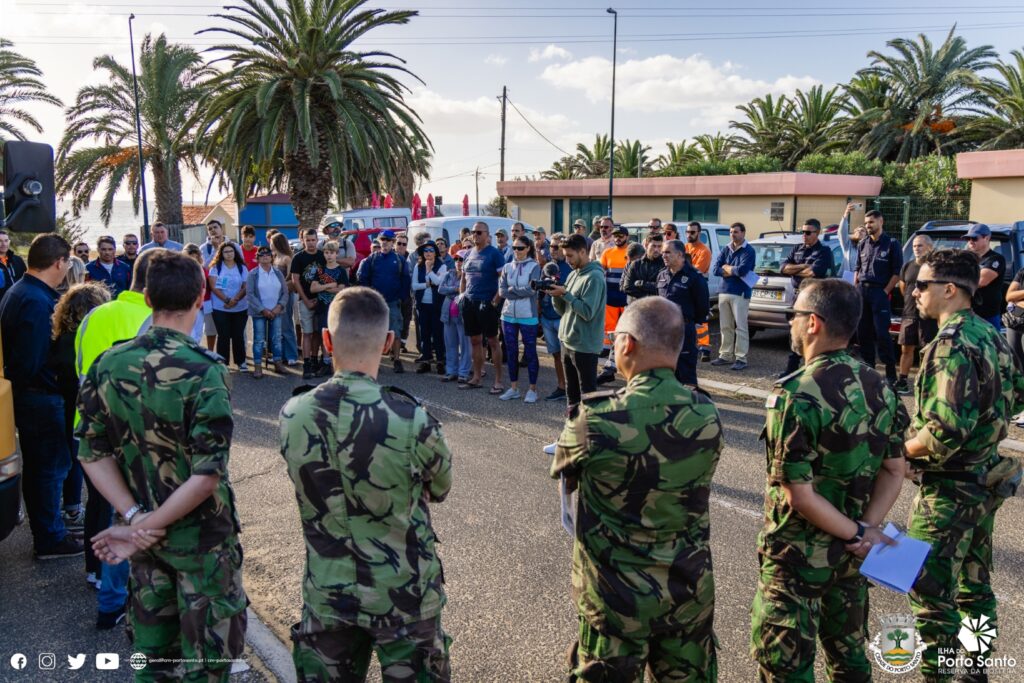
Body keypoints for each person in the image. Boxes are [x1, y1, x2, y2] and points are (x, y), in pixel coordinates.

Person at [77, 250, 248, 681]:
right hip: (203, 547)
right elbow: (207, 477)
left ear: (148, 298)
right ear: (202, 297)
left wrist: (136, 520)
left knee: (153, 666)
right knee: (206, 668)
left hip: (146, 546)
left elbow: (90, 452)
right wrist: (144, 525)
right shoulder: (206, 370)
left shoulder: (109, 364)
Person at [280, 286, 453, 682]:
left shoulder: (293, 414)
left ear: (326, 341)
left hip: (328, 592)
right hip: (404, 593)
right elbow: (440, 488)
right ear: (390, 342)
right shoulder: (413, 420)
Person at [551, 297, 723, 681]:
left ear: (627, 344)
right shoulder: (706, 413)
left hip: (615, 600)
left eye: (615, 339)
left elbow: (563, 469)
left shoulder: (594, 417)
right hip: (687, 590)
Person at [751, 278, 909, 682]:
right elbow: (895, 470)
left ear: (814, 323)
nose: (790, 324)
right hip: (852, 556)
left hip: (797, 559)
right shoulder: (881, 388)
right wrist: (866, 530)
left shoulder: (794, 394)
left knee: (786, 666)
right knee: (850, 658)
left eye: (795, 315)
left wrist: (856, 529)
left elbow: (799, 495)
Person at [904, 249, 1024, 681]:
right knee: (974, 587)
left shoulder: (949, 344)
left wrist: (901, 451)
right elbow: (1019, 394)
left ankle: (939, 674)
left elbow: (942, 432)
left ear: (949, 290)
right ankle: (975, 669)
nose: (914, 292)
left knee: (928, 590)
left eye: (922, 285)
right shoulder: (990, 334)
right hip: (984, 482)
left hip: (948, 491)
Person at [75, 249, 159, 627]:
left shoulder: (94, 315)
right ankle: (136, 601)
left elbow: (79, 366)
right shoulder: (155, 320)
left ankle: (106, 598)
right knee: (136, 513)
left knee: (106, 507)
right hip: (136, 436)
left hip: (90, 429)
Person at [0, 233, 83, 559]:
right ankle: (50, 538)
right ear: (60, 262)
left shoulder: (18, 291)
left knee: (42, 468)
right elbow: (31, 362)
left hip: (30, 397)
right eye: (66, 264)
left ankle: (49, 531)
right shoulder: (36, 301)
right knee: (50, 469)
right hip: (39, 398)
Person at [50, 282, 111, 584]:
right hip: (91, 423)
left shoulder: (62, 339)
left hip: (71, 421)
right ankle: (100, 570)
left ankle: (93, 567)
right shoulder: (89, 339)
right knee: (104, 502)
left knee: (96, 500)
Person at [542, 234, 607, 455]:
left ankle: (590, 443)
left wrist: (566, 294)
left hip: (585, 345)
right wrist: (555, 295)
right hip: (568, 341)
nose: (567, 259)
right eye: (565, 255)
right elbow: (564, 310)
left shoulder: (595, 277)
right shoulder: (573, 274)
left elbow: (588, 312)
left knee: (588, 396)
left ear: (582, 251)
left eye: (570, 255)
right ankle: (569, 438)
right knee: (571, 394)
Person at [779, 218, 834, 377]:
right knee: (795, 332)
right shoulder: (797, 248)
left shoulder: (824, 251)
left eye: (808, 232)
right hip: (797, 296)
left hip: (814, 297)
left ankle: (812, 368)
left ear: (817, 233)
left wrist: (795, 269)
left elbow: (813, 273)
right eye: (802, 232)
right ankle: (792, 368)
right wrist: (804, 266)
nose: (804, 235)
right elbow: (783, 268)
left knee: (813, 332)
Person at [854, 209, 902, 385]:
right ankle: (869, 371)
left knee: (882, 333)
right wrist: (856, 288)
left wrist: (885, 291)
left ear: (881, 222)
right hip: (862, 292)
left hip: (880, 293)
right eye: (866, 223)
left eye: (871, 222)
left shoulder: (891, 244)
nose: (868, 226)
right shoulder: (863, 243)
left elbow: (897, 272)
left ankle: (890, 374)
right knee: (863, 333)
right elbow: (857, 269)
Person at [459, 221, 506, 393]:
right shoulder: (468, 253)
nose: (475, 235)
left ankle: (498, 381)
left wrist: (495, 301)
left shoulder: (494, 254)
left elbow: (503, 279)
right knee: (475, 341)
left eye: (479, 232)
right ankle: (477, 377)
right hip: (469, 302)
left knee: (493, 341)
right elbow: (463, 278)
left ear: (487, 234)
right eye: (473, 232)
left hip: (487, 302)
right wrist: (461, 296)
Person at [357, 229, 411, 374]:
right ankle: (375, 361)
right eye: (383, 240)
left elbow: (405, 280)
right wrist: (369, 296)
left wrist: (401, 296)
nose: (385, 243)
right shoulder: (372, 259)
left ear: (393, 242)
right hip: (376, 302)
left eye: (388, 240)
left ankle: (397, 360)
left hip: (393, 301)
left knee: (395, 331)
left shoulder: (400, 260)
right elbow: (363, 278)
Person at [658, 239, 710, 387]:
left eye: (668, 252)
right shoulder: (662, 275)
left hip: (684, 330)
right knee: (666, 371)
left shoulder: (694, 277)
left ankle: (689, 406)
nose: (664, 256)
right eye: (663, 253)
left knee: (686, 372)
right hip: (664, 331)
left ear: (680, 254)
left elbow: (702, 308)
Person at [498, 235, 542, 403]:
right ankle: (514, 388)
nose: (517, 251)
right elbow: (502, 291)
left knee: (530, 352)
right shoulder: (507, 267)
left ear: (528, 248)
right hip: (508, 315)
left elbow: (532, 290)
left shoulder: (534, 266)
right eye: (514, 248)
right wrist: (518, 290)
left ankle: (532, 389)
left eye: (520, 248)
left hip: (528, 315)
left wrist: (513, 289)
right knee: (511, 352)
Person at [895, 234, 938, 395]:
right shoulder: (907, 266)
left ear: (929, 247)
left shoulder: (935, 267)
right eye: (914, 246)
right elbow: (903, 287)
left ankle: (926, 383)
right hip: (909, 314)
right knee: (906, 349)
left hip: (928, 315)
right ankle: (903, 381)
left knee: (927, 350)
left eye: (920, 245)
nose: (916, 249)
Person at [711, 222, 756, 371]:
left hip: (740, 292)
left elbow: (742, 270)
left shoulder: (749, 250)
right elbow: (716, 269)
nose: (733, 234)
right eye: (731, 232)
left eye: (736, 232)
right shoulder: (726, 248)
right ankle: (725, 355)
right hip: (724, 291)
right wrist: (730, 270)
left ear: (743, 233)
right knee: (725, 326)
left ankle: (741, 358)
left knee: (741, 327)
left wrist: (727, 268)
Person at [246, 245, 289, 379]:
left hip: (276, 311)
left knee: (276, 338)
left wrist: (278, 307)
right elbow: (250, 294)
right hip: (260, 312)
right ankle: (258, 366)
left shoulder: (277, 273)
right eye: (262, 255)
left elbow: (285, 292)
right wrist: (262, 309)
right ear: (257, 258)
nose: (265, 256)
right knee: (259, 339)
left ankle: (277, 362)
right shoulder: (253, 274)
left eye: (268, 254)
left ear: (272, 257)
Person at [291, 228, 328, 379]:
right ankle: (306, 364)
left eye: (314, 240)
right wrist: (305, 300)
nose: (311, 243)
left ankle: (315, 359)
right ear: (303, 241)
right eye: (308, 240)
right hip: (305, 300)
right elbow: (295, 280)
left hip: (321, 300)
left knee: (318, 333)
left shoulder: (322, 256)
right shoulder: (298, 258)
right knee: (306, 333)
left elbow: (328, 276)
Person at [540, 236, 572, 402]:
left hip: (563, 316)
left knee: (570, 356)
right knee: (556, 355)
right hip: (546, 317)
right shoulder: (547, 267)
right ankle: (561, 386)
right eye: (551, 246)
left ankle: (574, 389)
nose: (553, 249)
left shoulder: (570, 267)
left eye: (557, 246)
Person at [597, 224, 630, 384]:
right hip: (610, 298)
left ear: (626, 237)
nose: (617, 238)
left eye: (621, 236)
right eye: (615, 236)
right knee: (609, 329)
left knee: (624, 331)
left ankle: (617, 361)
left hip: (626, 299)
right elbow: (599, 271)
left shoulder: (631, 253)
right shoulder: (607, 252)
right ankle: (610, 352)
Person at [310, 240, 349, 375]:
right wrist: (328, 286)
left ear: (336, 254)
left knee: (336, 336)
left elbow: (341, 289)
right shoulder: (320, 270)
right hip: (322, 308)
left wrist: (326, 288)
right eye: (326, 253)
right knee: (324, 335)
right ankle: (326, 362)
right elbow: (313, 288)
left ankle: (337, 363)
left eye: (332, 253)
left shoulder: (341, 271)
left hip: (336, 308)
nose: (329, 256)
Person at [208, 241, 249, 370]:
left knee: (238, 335)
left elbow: (245, 286)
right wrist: (227, 301)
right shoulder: (215, 268)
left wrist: (235, 300)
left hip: (240, 307)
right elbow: (214, 287)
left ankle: (241, 361)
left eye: (231, 251)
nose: (229, 254)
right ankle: (223, 363)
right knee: (223, 335)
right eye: (226, 251)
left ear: (235, 252)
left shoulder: (242, 267)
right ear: (221, 253)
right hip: (220, 308)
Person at [411, 241, 447, 375]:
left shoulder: (441, 266)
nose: (428, 253)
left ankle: (440, 361)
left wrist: (429, 270)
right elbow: (414, 286)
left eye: (431, 250)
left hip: (436, 305)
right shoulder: (417, 266)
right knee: (424, 333)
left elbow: (438, 282)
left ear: (435, 252)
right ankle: (426, 360)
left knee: (438, 333)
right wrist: (426, 284)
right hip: (423, 304)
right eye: (425, 250)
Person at [963, 223, 1006, 330]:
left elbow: (981, 282)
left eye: (974, 238)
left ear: (986, 238)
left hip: (987, 316)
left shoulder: (995, 259)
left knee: (990, 346)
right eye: (968, 238)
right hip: (967, 312)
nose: (970, 241)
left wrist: (957, 280)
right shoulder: (966, 259)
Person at [439, 249, 472, 383]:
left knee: (465, 345)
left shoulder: (470, 275)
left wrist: (454, 290)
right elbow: (440, 289)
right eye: (456, 259)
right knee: (450, 344)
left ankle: (463, 372)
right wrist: (455, 289)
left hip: (462, 313)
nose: (458, 262)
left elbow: (466, 291)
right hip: (448, 313)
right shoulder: (449, 273)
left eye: (461, 259)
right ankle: (451, 371)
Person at [683, 222, 713, 362]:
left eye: (692, 232)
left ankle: (704, 347)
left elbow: (696, 271)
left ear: (699, 233)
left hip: (699, 288)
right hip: (686, 288)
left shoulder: (704, 251)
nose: (689, 235)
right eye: (688, 232)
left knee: (701, 319)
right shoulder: (684, 247)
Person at [271, 232, 300, 366]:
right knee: (277, 326)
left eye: (272, 241)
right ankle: (281, 354)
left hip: (285, 294)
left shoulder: (287, 258)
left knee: (286, 324)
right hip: (274, 295)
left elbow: (289, 277)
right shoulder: (275, 257)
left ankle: (291, 354)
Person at [620, 232, 665, 303]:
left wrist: (642, 284)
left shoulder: (665, 264)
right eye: (653, 246)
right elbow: (627, 287)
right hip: (637, 306)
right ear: (646, 245)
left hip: (658, 307)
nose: (656, 249)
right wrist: (648, 295)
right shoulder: (636, 264)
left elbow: (664, 287)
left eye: (659, 246)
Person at [183, 244, 213, 346]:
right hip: (187, 306)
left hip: (202, 305)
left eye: (196, 256)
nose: (194, 258)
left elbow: (208, 287)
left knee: (199, 332)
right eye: (190, 255)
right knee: (190, 333)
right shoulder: (181, 270)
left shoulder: (203, 269)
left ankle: (195, 352)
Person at [394, 233, 414, 354]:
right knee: (394, 321)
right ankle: (392, 346)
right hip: (393, 296)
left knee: (406, 321)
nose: (401, 246)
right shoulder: (389, 257)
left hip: (407, 295)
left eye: (404, 244)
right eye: (399, 243)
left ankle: (403, 343)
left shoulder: (410, 258)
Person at [0, 229, 27, 303]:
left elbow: (26, 279)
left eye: (6, 241)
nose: (4, 244)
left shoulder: (17, 260)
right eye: (0, 241)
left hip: (19, 301)